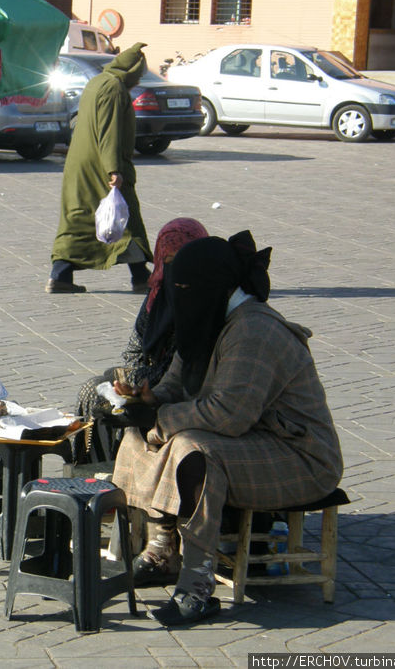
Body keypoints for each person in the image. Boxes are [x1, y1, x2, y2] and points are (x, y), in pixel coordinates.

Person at [111, 231, 343, 626]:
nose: (180, 296)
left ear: (216, 287)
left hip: (299, 456)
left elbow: (228, 415)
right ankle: (162, 548)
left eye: (186, 288)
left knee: (194, 450)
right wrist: (147, 401)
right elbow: (176, 384)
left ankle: (197, 588)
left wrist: (162, 420)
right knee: (138, 435)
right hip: (249, 442)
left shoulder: (254, 330)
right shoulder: (208, 317)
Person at [73, 218, 209, 463]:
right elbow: (135, 349)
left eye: (182, 262)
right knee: (95, 390)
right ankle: (98, 471)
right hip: (149, 378)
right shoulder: (157, 296)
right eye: (168, 263)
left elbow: (183, 367)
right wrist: (130, 379)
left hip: (185, 389)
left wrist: (140, 385)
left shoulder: (204, 298)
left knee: (115, 394)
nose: (175, 273)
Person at [47, 42, 153, 294]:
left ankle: (60, 275)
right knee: (125, 218)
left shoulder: (97, 81)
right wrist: (113, 169)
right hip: (100, 165)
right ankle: (140, 277)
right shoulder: (114, 88)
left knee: (78, 219)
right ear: (131, 72)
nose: (137, 81)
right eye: (138, 76)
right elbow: (109, 130)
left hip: (80, 163)